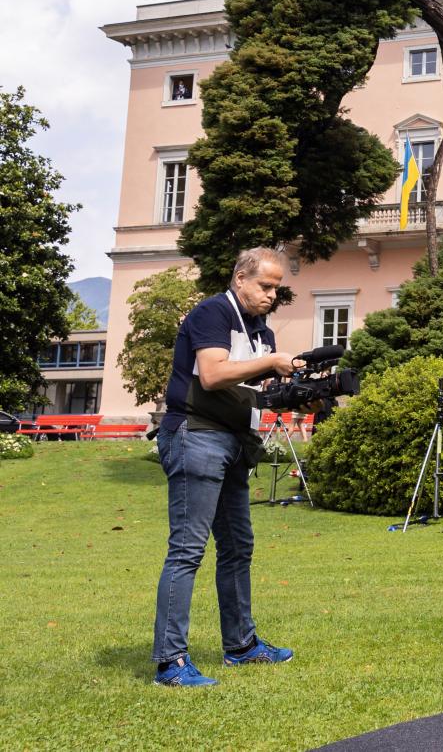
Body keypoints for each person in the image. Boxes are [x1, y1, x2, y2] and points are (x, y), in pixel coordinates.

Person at [151, 247, 299, 687]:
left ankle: (241, 646)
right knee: (187, 550)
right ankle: (170, 663)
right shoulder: (212, 313)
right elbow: (213, 374)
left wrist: (301, 391)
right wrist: (273, 362)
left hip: (235, 442)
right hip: (195, 435)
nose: (271, 295)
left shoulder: (262, 332)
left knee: (238, 547)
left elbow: (259, 393)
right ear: (240, 278)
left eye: (277, 288)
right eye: (265, 286)